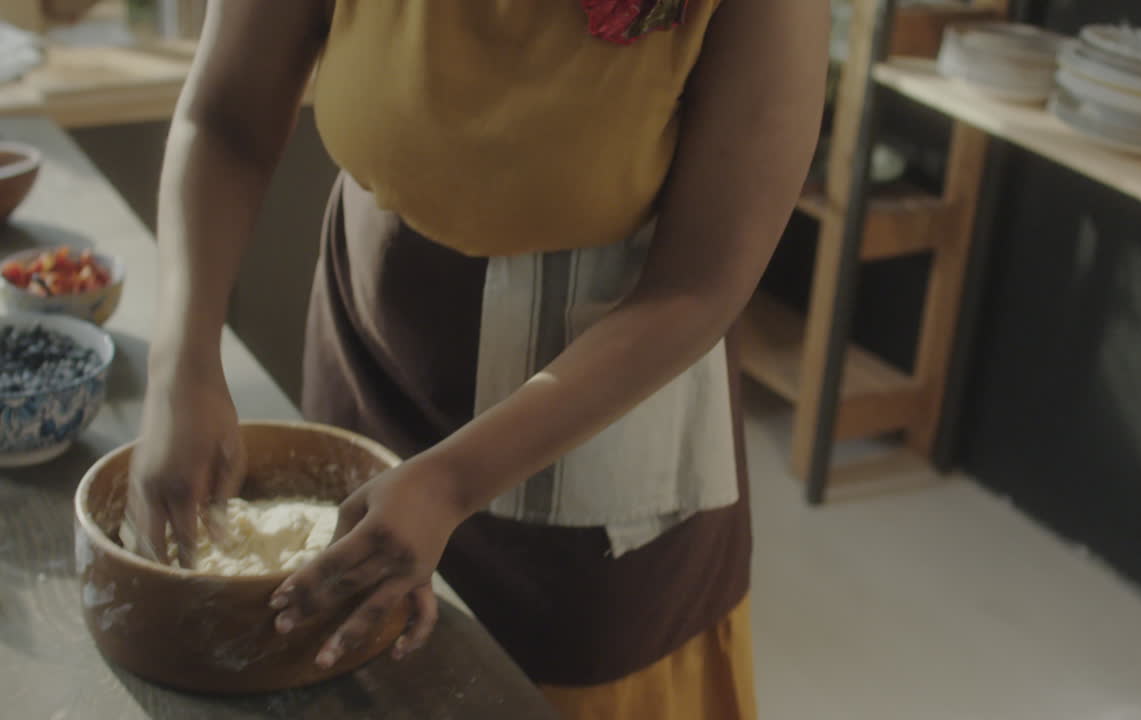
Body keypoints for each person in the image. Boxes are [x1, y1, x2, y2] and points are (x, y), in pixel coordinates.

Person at [125, 1, 825, 717]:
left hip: (598, 411)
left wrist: (453, 482)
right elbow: (225, 120)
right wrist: (182, 363)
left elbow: (699, 284)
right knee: (348, 667)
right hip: (373, 356)